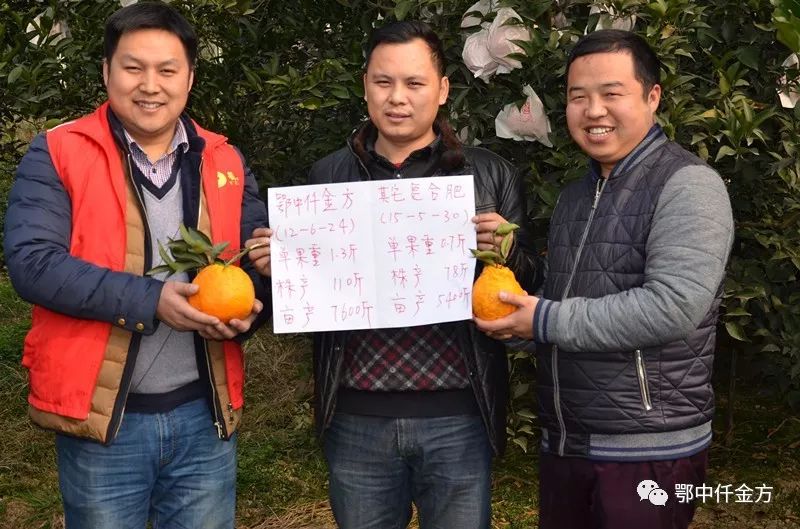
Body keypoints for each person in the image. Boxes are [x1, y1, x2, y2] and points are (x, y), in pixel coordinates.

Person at [245, 20, 542, 529]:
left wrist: (509, 253)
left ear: (442, 90)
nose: (397, 97)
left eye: (414, 83)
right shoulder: (327, 177)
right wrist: (277, 269)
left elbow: (532, 282)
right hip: (356, 416)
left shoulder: (489, 174)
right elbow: (309, 293)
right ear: (365, 86)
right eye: (383, 82)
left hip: (458, 414)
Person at [3, 2, 270, 527]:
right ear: (107, 72)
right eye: (133, 68)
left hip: (205, 417)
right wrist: (152, 301)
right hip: (106, 421)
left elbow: (253, 257)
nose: (151, 85)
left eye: (167, 70)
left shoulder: (224, 159)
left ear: (189, 78)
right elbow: (33, 263)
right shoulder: (59, 151)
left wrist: (255, 307)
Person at [475, 29, 734, 529]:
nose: (594, 110)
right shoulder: (576, 196)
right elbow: (566, 303)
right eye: (578, 97)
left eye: (611, 93)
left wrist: (543, 320)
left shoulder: (688, 185)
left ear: (652, 96)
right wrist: (515, 320)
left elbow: (673, 306)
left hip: (648, 447)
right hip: (569, 440)